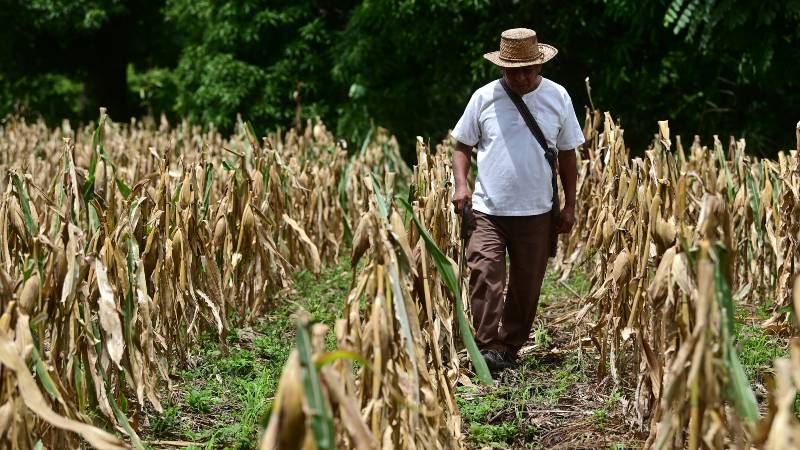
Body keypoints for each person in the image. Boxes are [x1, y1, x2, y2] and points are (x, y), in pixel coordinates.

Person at [451, 28, 584, 372]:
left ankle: (509, 347)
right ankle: (487, 347)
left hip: (537, 212)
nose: (521, 77)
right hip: (487, 211)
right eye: (513, 71)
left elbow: (568, 154)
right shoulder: (483, 98)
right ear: (502, 69)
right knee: (485, 276)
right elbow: (462, 145)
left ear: (539, 65)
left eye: (527, 70)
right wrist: (461, 186)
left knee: (526, 286)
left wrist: (570, 205)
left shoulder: (558, 97)